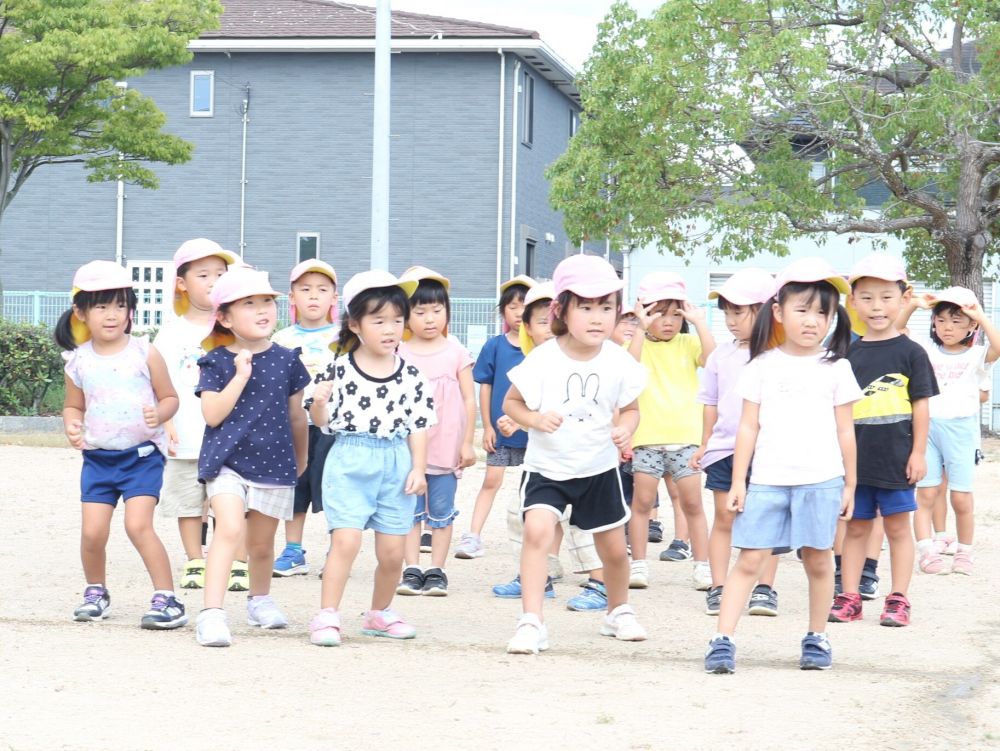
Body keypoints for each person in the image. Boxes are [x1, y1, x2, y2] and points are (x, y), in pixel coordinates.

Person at [704, 258, 862, 674]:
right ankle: (723, 639)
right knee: (750, 561)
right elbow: (748, 428)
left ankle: (817, 636)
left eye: (822, 312)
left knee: (818, 559)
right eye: (802, 309)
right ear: (778, 312)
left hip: (822, 481)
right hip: (769, 481)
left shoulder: (838, 367)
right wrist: (739, 480)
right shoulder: (761, 366)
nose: (812, 320)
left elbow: (846, 431)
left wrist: (850, 485)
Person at [504, 254, 648, 654]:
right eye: (585, 306)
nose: (597, 317)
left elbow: (633, 409)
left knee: (615, 549)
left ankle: (618, 610)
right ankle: (531, 621)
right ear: (562, 310)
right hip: (547, 468)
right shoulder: (544, 358)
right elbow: (511, 404)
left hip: (598, 468)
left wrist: (625, 428)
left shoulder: (619, 360)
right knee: (537, 532)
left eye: (606, 307)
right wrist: (533, 418)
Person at [307, 271, 436, 646]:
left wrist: (419, 468)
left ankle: (379, 613)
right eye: (379, 321)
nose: (390, 329)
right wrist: (318, 402)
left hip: (396, 462)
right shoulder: (337, 369)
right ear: (355, 323)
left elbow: (420, 424)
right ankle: (327, 615)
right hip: (350, 457)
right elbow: (322, 424)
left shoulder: (412, 375)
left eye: (397, 320)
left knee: (393, 552)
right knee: (345, 542)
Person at [56, 260, 185, 629]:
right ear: (81, 312)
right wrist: (71, 423)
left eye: (120, 306)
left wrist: (160, 416)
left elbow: (170, 397)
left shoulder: (145, 352)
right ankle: (95, 590)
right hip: (98, 460)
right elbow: (73, 404)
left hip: (142, 457)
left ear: (131, 311)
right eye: (101, 306)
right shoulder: (77, 361)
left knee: (137, 525)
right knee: (92, 532)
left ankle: (167, 598)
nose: (112, 315)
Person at [193, 267, 310, 647]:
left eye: (267, 302)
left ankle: (259, 600)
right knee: (228, 529)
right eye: (249, 304)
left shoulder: (288, 360)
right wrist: (240, 376)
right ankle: (211, 614)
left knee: (262, 545)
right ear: (225, 317)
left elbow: (297, 415)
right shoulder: (215, 361)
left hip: (274, 462)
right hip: (226, 462)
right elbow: (212, 415)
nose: (262, 310)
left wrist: (302, 456)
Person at [828, 255, 937, 628]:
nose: (877, 307)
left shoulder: (912, 352)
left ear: (904, 298)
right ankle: (850, 595)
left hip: (897, 458)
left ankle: (899, 598)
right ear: (853, 302)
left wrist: (918, 452)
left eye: (887, 297)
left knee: (896, 527)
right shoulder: (846, 354)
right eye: (868, 298)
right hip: (855, 463)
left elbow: (921, 406)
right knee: (856, 527)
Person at [493, 283, 611, 612]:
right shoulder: (539, 364)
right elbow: (529, 407)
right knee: (523, 516)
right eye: (542, 321)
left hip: (585, 464)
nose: (552, 327)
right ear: (526, 327)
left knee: (584, 525)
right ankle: (539, 575)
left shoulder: (590, 360)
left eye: (556, 318)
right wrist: (518, 421)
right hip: (545, 463)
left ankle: (601, 583)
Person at [690, 268, 781, 617]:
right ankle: (718, 586)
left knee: (768, 520)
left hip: (768, 451)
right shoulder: (720, 356)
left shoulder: (778, 356)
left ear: (764, 311)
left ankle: (764, 588)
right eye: (727, 312)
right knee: (724, 518)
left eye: (738, 312)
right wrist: (704, 444)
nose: (730, 320)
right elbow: (710, 403)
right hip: (724, 450)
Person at [154, 239, 240, 592]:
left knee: (234, 498)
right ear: (182, 283)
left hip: (232, 433)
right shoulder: (171, 332)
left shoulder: (236, 327)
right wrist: (167, 423)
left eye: (220, 274)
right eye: (203, 274)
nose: (213, 281)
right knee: (190, 501)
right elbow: (158, 381)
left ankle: (236, 560)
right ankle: (195, 559)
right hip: (187, 431)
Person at [899, 286, 999, 575]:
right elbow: (898, 328)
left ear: (971, 326)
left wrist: (979, 313)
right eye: (941, 320)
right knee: (926, 493)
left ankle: (965, 552)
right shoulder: (925, 351)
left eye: (957, 321)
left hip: (961, 430)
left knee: (960, 496)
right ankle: (927, 550)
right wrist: (915, 304)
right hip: (927, 428)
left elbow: (999, 346)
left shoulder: (977, 355)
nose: (948, 327)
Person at [627, 272, 716, 590]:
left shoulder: (689, 342)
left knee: (693, 505)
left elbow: (712, 358)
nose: (668, 321)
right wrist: (639, 326)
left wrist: (700, 322)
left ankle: (702, 566)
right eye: (658, 313)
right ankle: (638, 565)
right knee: (642, 504)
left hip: (685, 441)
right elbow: (629, 369)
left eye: (674, 314)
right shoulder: (634, 344)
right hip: (646, 440)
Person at [395, 266, 476, 597]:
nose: (430, 318)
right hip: (407, 450)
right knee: (410, 513)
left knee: (441, 512)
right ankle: (412, 569)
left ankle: (437, 570)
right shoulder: (399, 352)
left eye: (437, 310)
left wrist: (468, 442)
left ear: (447, 312)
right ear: (406, 315)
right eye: (421, 311)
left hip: (446, 448)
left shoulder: (456, 352)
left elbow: (470, 399)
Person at [454, 275, 535, 559]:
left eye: (525, 306)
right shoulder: (495, 345)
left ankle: (534, 541)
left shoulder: (542, 349)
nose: (519, 312)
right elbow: (484, 387)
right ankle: (473, 536)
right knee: (492, 480)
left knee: (535, 487)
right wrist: (487, 426)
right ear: (503, 311)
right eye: (513, 306)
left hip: (535, 431)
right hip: (500, 430)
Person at [270, 259, 340, 577]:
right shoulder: (281, 339)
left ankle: (338, 551)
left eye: (322, 290)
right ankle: (293, 550)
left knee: (335, 489)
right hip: (292, 426)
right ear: (292, 297)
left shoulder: (344, 337)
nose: (314, 296)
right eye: (305, 289)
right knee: (293, 488)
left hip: (333, 426)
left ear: (333, 299)